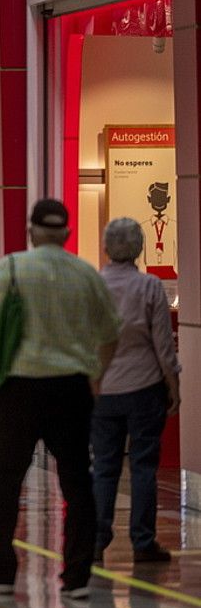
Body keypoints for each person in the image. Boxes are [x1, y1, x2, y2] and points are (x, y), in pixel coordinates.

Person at [0, 199, 120, 601]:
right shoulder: (86, 274)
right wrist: (96, 379)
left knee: (8, 480)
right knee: (77, 481)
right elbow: (110, 333)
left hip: (21, 388)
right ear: (67, 234)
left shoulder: (12, 268)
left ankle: (0, 570)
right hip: (72, 388)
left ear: (31, 232)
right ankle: (77, 575)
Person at [92, 217, 181, 564]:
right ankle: (143, 540)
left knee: (105, 466)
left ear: (106, 247)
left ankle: (98, 539)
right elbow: (163, 344)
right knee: (144, 466)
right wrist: (173, 385)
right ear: (140, 248)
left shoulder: (95, 286)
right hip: (145, 387)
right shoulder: (150, 288)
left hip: (104, 389)